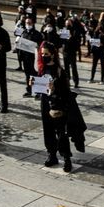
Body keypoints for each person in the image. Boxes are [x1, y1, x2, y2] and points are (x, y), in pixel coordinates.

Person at [34, 42, 74, 172]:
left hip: (58, 104)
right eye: (42, 54)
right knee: (48, 130)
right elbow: (40, 88)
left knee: (61, 132)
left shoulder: (59, 70)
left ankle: (67, 158)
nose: (44, 56)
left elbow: (66, 90)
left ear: (52, 54)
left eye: (46, 54)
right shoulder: (41, 69)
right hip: (46, 103)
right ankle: (52, 155)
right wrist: (33, 84)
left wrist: (55, 88)